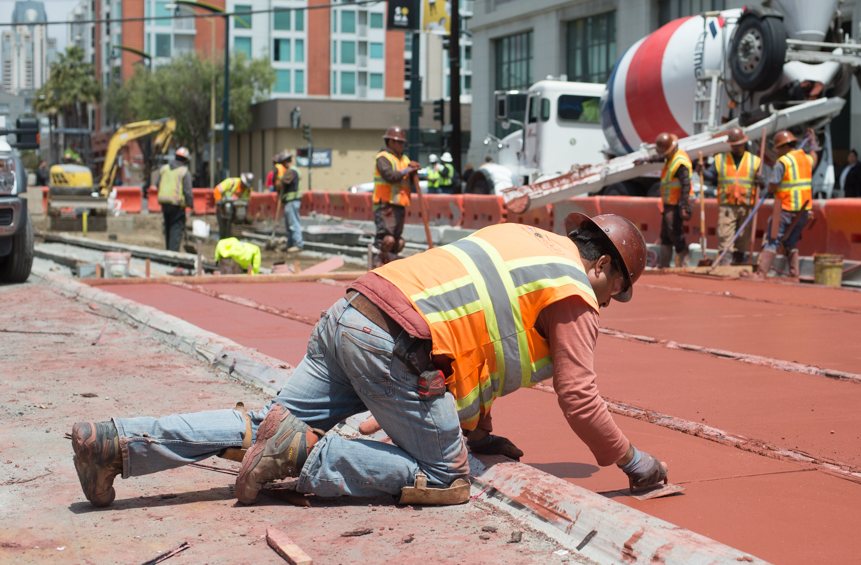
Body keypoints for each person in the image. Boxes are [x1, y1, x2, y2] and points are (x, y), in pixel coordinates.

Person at [69, 214, 669, 509]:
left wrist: (477, 431)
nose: (609, 301)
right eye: (617, 287)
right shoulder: (577, 291)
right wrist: (634, 461)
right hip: (397, 346)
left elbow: (478, 333)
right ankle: (303, 452)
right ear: (605, 267)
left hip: (353, 312)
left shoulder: (522, 237)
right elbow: (579, 397)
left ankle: (116, 442)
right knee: (447, 479)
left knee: (266, 423)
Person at [756, 129, 817, 279]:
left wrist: (763, 183)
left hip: (783, 208)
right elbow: (814, 157)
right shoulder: (805, 158)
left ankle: (761, 273)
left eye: (777, 148)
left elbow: (772, 186)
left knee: (772, 239)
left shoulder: (783, 162)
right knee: (791, 242)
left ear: (783, 147)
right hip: (803, 210)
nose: (775, 151)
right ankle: (794, 274)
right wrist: (812, 142)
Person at [699, 127, 764, 266]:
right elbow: (711, 176)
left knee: (743, 238)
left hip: (746, 205)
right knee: (725, 235)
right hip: (727, 205)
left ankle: (738, 263)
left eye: (738, 145)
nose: (736, 148)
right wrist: (702, 171)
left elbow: (761, 184)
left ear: (744, 143)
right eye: (733, 145)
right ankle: (725, 263)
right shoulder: (721, 159)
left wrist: (761, 181)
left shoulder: (754, 161)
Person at [372, 126, 419, 267]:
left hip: (399, 205)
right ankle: (376, 266)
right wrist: (408, 170)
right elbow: (390, 176)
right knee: (387, 240)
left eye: (403, 143)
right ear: (391, 142)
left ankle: (390, 267)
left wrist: (414, 171)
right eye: (399, 142)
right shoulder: (383, 158)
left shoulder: (404, 159)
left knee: (398, 243)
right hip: (385, 205)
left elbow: (407, 178)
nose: (402, 145)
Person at [647, 132, 691, 269]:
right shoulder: (670, 158)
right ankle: (664, 265)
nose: (663, 154)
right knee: (665, 234)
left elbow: (686, 184)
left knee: (674, 231)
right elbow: (660, 157)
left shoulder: (680, 162)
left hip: (675, 204)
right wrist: (646, 160)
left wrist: (684, 204)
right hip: (668, 203)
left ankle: (684, 261)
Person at [156, 147, 193, 252]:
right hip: (177, 205)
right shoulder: (184, 171)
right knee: (176, 229)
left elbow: (157, 183)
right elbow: (188, 191)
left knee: (168, 228)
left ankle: (168, 251)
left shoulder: (164, 168)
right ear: (185, 160)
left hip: (164, 203)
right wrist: (191, 205)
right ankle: (173, 255)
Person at [274, 151, 303, 253]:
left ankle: (298, 244)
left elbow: (282, 183)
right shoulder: (294, 170)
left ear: (285, 162)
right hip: (291, 201)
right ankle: (290, 244)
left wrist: (278, 185)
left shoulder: (290, 171)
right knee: (289, 225)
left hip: (292, 201)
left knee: (293, 223)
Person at [213, 172, 254, 240]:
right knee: (222, 229)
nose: (244, 187)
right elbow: (217, 190)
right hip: (222, 208)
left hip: (234, 211)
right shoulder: (231, 182)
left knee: (231, 230)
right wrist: (219, 201)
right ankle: (222, 240)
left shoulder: (248, 190)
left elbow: (246, 201)